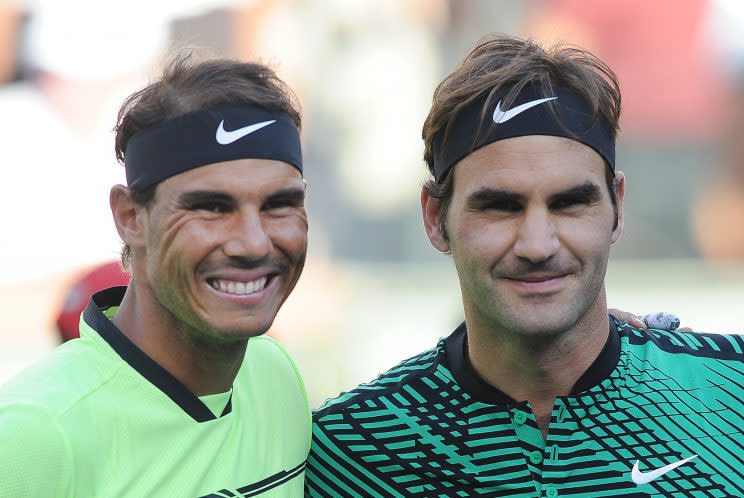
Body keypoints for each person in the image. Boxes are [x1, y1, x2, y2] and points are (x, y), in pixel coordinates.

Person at [306, 34, 744, 497]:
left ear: (616, 205)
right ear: (436, 218)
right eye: (500, 206)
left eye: (570, 203)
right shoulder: (355, 447)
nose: (537, 245)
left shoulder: (732, 394)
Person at [0, 54, 311, 497]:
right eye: (212, 207)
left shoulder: (273, 373)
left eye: (279, 204)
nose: (254, 243)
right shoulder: (33, 435)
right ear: (130, 217)